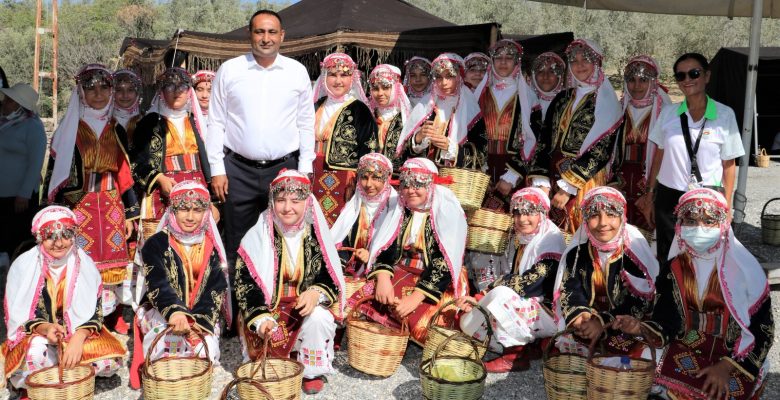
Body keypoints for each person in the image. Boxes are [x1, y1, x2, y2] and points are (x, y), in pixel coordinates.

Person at [614, 189, 773, 400]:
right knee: (639, 356)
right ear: (680, 225)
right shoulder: (675, 267)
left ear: (723, 225)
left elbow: (764, 331)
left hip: (732, 356)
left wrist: (726, 367)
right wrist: (641, 327)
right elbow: (666, 318)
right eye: (691, 221)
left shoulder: (745, 270)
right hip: (686, 346)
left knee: (721, 390)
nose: (699, 228)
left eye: (709, 221)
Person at [206, 9, 315, 287]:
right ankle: (236, 315)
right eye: (259, 32)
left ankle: (274, 306)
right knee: (236, 240)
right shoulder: (230, 70)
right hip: (237, 172)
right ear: (249, 34)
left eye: (271, 32)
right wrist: (217, 169)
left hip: (284, 169)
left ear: (282, 36)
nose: (265, 38)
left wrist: (304, 169)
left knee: (283, 237)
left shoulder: (296, 72)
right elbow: (216, 122)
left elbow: (306, 123)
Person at [234, 169, 345, 395]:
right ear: (272, 202)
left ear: (307, 202)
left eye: (296, 200)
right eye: (281, 200)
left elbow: (330, 274)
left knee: (321, 317)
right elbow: (244, 283)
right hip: (268, 308)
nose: (287, 208)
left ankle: (311, 371)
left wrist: (315, 293)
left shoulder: (317, 235)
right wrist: (260, 317)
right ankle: (288, 356)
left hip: (302, 307)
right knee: (267, 366)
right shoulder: (258, 235)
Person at [43, 64, 139, 322]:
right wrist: (51, 209)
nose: (98, 93)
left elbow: (124, 174)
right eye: (90, 88)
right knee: (80, 261)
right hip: (80, 205)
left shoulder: (115, 127)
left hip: (111, 204)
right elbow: (55, 171)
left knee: (112, 265)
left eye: (104, 87)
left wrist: (131, 214)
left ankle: (108, 320)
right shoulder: (69, 129)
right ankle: (81, 318)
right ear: (80, 92)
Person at [1, 206, 124, 393]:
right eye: (51, 236)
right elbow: (25, 316)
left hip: (77, 333)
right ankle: (63, 372)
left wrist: (77, 339)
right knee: (34, 353)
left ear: (74, 235)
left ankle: (55, 372)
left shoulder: (84, 264)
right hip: (41, 336)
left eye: (66, 235)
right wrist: (47, 328)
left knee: (110, 363)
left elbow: (95, 313)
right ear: (40, 238)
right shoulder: (25, 266)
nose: (59, 243)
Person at [347, 158, 469, 345]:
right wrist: (383, 278)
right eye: (406, 185)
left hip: (436, 281)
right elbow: (385, 245)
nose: (411, 190)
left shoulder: (445, 210)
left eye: (418, 184)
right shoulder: (400, 209)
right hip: (401, 272)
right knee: (364, 299)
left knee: (423, 325)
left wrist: (415, 298)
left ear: (431, 185)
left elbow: (443, 261)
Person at [645, 53, 744, 262]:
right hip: (668, 196)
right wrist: (650, 193)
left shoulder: (725, 115)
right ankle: (668, 294)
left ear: (707, 76)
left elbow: (729, 164)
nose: (687, 80)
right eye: (681, 76)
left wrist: (726, 206)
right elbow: (659, 156)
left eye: (694, 73)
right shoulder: (669, 114)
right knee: (668, 254)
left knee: (704, 256)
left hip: (707, 197)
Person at [129, 181, 229, 389]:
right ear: (172, 211)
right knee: (166, 352)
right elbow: (158, 284)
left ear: (206, 213)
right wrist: (175, 313)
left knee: (204, 352)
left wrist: (196, 325)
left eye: (197, 210)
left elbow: (214, 292)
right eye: (183, 209)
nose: (190, 217)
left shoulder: (211, 247)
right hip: (163, 312)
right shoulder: (155, 244)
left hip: (201, 318)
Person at [458, 187, 565, 373]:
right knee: (467, 324)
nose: (522, 219)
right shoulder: (525, 239)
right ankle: (530, 346)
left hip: (552, 314)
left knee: (500, 296)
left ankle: (513, 357)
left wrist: (485, 295)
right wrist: (480, 299)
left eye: (530, 212)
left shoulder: (550, 240)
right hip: (532, 309)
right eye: (517, 213)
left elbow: (528, 285)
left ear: (542, 214)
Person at [552, 187, 658, 356]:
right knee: (568, 340)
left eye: (611, 215)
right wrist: (580, 315)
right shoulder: (578, 252)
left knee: (643, 354)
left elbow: (640, 300)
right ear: (585, 221)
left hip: (625, 325)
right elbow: (570, 287)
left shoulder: (633, 252)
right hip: (590, 321)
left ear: (622, 217)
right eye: (594, 215)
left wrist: (602, 322)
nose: (603, 223)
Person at [542, 39, 623, 236]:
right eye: (574, 60)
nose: (579, 66)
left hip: (584, 179)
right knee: (552, 234)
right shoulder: (563, 97)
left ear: (597, 64)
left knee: (580, 231)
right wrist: (541, 179)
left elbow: (601, 150)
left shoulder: (605, 101)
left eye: (586, 60)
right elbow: (544, 139)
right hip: (554, 174)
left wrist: (568, 186)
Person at [132, 67, 212, 244]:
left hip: (197, 191)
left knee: (197, 246)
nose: (176, 92)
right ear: (161, 92)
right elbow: (136, 162)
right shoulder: (149, 122)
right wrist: (159, 178)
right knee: (162, 246)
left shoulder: (197, 121)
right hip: (163, 192)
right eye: (169, 87)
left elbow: (209, 161)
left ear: (189, 91)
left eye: (182, 87)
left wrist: (212, 199)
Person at [478, 39, 545, 211]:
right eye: (498, 57)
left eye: (509, 57)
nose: (503, 62)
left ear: (517, 62)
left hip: (513, 166)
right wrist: (480, 169)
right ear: (492, 61)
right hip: (484, 166)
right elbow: (473, 134)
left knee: (513, 218)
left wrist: (511, 176)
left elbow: (535, 139)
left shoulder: (528, 96)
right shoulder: (482, 94)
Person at [312, 52, 378, 225]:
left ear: (352, 79)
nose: (338, 81)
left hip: (343, 179)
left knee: (337, 225)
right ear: (324, 77)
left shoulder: (360, 110)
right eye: (332, 75)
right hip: (311, 174)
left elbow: (370, 150)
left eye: (344, 75)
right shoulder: (315, 106)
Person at [612, 56, 671, 237]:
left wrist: (653, 190)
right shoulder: (618, 108)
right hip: (620, 180)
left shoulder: (664, 111)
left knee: (646, 232)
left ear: (653, 82)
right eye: (631, 80)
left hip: (650, 180)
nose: (636, 86)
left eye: (643, 80)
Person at [403, 53, 487, 170]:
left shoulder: (470, 108)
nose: (444, 83)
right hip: (425, 176)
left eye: (449, 76)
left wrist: (451, 148)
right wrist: (418, 138)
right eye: (439, 77)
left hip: (458, 179)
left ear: (459, 76)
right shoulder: (427, 105)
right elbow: (407, 150)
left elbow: (482, 155)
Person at [330, 153, 403, 280]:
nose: (368, 184)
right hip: (351, 273)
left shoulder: (395, 207)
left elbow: (398, 247)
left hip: (383, 273)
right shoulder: (354, 205)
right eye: (364, 177)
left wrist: (371, 255)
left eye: (376, 178)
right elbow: (340, 241)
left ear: (387, 179)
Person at [0, 83, 46, 258]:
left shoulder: (33, 127)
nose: (4, 103)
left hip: (19, 197)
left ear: (20, 106)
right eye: (6, 99)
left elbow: (36, 164)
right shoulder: (4, 123)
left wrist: (24, 194)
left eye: (10, 101)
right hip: (2, 194)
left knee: (16, 241)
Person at [367, 64, 412, 171]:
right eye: (375, 88)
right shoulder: (368, 115)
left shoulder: (406, 116)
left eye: (386, 87)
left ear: (396, 88)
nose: (380, 93)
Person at [529, 51, 566, 122]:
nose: (545, 76)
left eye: (552, 71)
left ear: (560, 77)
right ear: (534, 76)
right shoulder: (526, 102)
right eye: (540, 71)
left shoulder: (568, 104)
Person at [112, 69, 143, 147]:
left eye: (130, 90)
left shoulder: (145, 121)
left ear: (137, 93)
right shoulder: (104, 122)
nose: (125, 95)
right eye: (119, 90)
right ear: (112, 92)